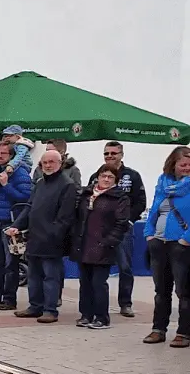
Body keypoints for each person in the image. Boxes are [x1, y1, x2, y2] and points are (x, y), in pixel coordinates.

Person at [6, 150, 76, 323]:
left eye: (52, 162)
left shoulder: (67, 184)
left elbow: (65, 217)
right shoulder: (39, 183)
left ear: (60, 163)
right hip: (34, 237)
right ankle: (35, 306)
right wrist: (16, 226)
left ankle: (50, 310)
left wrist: (54, 234)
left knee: (51, 276)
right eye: (45, 162)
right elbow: (29, 207)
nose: (48, 165)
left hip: (53, 240)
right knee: (34, 276)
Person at [88, 141, 146, 318]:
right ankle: (94, 305)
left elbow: (140, 202)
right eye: (106, 153)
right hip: (99, 231)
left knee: (125, 267)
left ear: (121, 155)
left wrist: (128, 221)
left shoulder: (132, 176)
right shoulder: (96, 175)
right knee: (95, 267)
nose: (110, 156)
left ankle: (125, 303)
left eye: (114, 153)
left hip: (123, 229)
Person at [72, 164, 131, 330]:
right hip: (84, 244)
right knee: (85, 283)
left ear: (116, 180)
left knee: (98, 283)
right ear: (97, 177)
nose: (106, 179)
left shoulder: (120, 198)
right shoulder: (86, 194)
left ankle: (102, 318)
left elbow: (122, 223)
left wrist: (108, 242)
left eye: (110, 177)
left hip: (103, 246)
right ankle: (86, 315)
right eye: (103, 176)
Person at [143, 147, 190, 347]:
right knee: (161, 291)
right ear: (173, 164)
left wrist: (185, 240)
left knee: (184, 291)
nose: (187, 168)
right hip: (159, 243)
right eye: (183, 164)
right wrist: (149, 234)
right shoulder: (162, 184)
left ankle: (184, 332)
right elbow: (154, 210)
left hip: (181, 246)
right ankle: (158, 329)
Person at [0, 142, 33, 311]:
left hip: (11, 223)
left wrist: (6, 185)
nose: (0, 156)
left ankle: (9, 299)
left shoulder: (20, 173)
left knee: (10, 264)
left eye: (3, 153)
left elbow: (25, 198)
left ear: (11, 156)